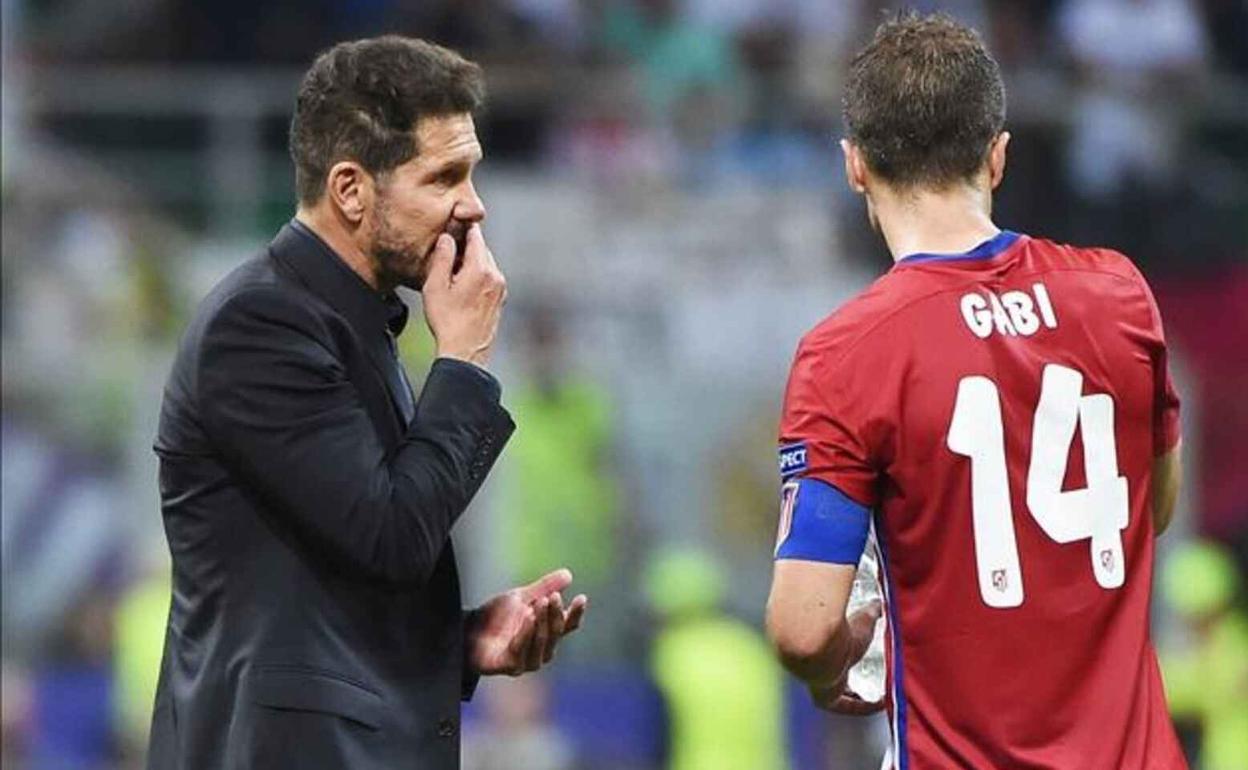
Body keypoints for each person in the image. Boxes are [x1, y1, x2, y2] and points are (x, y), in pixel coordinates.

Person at [147, 36, 587, 770]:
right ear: (351, 189)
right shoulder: (259, 326)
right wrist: (465, 362)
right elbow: (392, 533)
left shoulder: (352, 325)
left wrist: (460, 645)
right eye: (445, 176)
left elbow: (329, 589)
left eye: (472, 174)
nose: (473, 207)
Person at [764, 13, 1185, 769]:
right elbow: (1150, 508)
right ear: (998, 157)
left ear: (854, 164)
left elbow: (803, 627)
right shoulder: (1118, 293)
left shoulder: (847, 354)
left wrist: (846, 654)